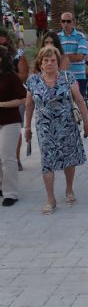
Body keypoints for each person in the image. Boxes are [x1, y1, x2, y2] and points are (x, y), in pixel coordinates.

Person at [24, 46, 88, 214]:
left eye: (53, 60)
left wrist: (86, 122)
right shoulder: (33, 81)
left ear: (58, 62)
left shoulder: (67, 77)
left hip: (67, 125)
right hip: (45, 127)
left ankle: (69, 189)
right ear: (40, 63)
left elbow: (80, 100)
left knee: (69, 158)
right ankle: (50, 199)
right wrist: (27, 127)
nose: (49, 63)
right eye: (45, 60)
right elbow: (29, 104)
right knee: (47, 162)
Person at [0, 45, 27, 206]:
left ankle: (10, 193)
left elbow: (23, 100)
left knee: (7, 157)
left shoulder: (11, 77)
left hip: (10, 121)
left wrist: (2, 105)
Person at [58, 12, 88, 97]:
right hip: (62, 77)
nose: (65, 24)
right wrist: (72, 56)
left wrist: (62, 57)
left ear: (73, 22)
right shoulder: (57, 37)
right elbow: (54, 56)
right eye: (63, 21)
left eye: (68, 21)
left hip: (78, 76)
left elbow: (80, 57)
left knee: (79, 103)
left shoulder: (80, 36)